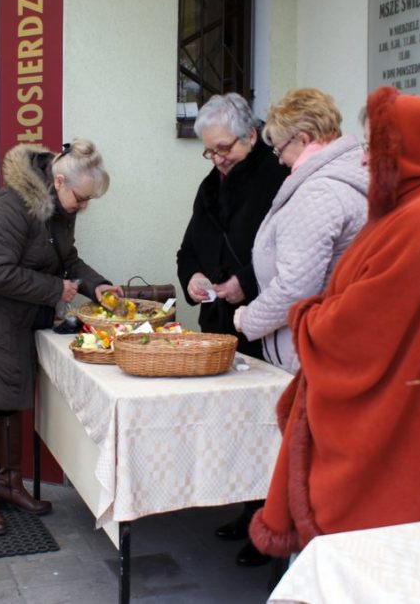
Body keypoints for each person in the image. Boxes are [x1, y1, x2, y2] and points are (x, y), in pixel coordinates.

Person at [250, 86, 420, 557]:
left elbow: (366, 322)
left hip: (397, 405)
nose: (366, 159)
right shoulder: (410, 210)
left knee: (370, 545)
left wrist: (308, 318)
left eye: (378, 147)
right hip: (405, 396)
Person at [0, 139, 121, 535]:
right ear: (57, 180)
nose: (84, 206)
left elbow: (66, 259)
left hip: (18, 317)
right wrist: (55, 290)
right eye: (82, 198)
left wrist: (97, 286)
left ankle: (10, 484)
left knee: (12, 399)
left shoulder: (59, 208)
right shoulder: (9, 206)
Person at [176, 93, 289, 567]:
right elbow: (188, 251)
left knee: (267, 427)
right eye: (211, 151)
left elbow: (293, 257)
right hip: (218, 325)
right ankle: (248, 511)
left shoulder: (278, 178)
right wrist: (194, 279)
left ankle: (271, 522)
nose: (218, 159)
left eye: (225, 149)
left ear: (252, 136)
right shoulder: (209, 185)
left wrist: (246, 282)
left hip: (264, 324)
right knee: (234, 426)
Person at [233, 88, 368, 374]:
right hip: (344, 345)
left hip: (315, 353)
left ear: (304, 139)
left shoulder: (318, 192)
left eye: (279, 149)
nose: (280, 160)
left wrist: (248, 319)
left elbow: (295, 287)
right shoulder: (349, 177)